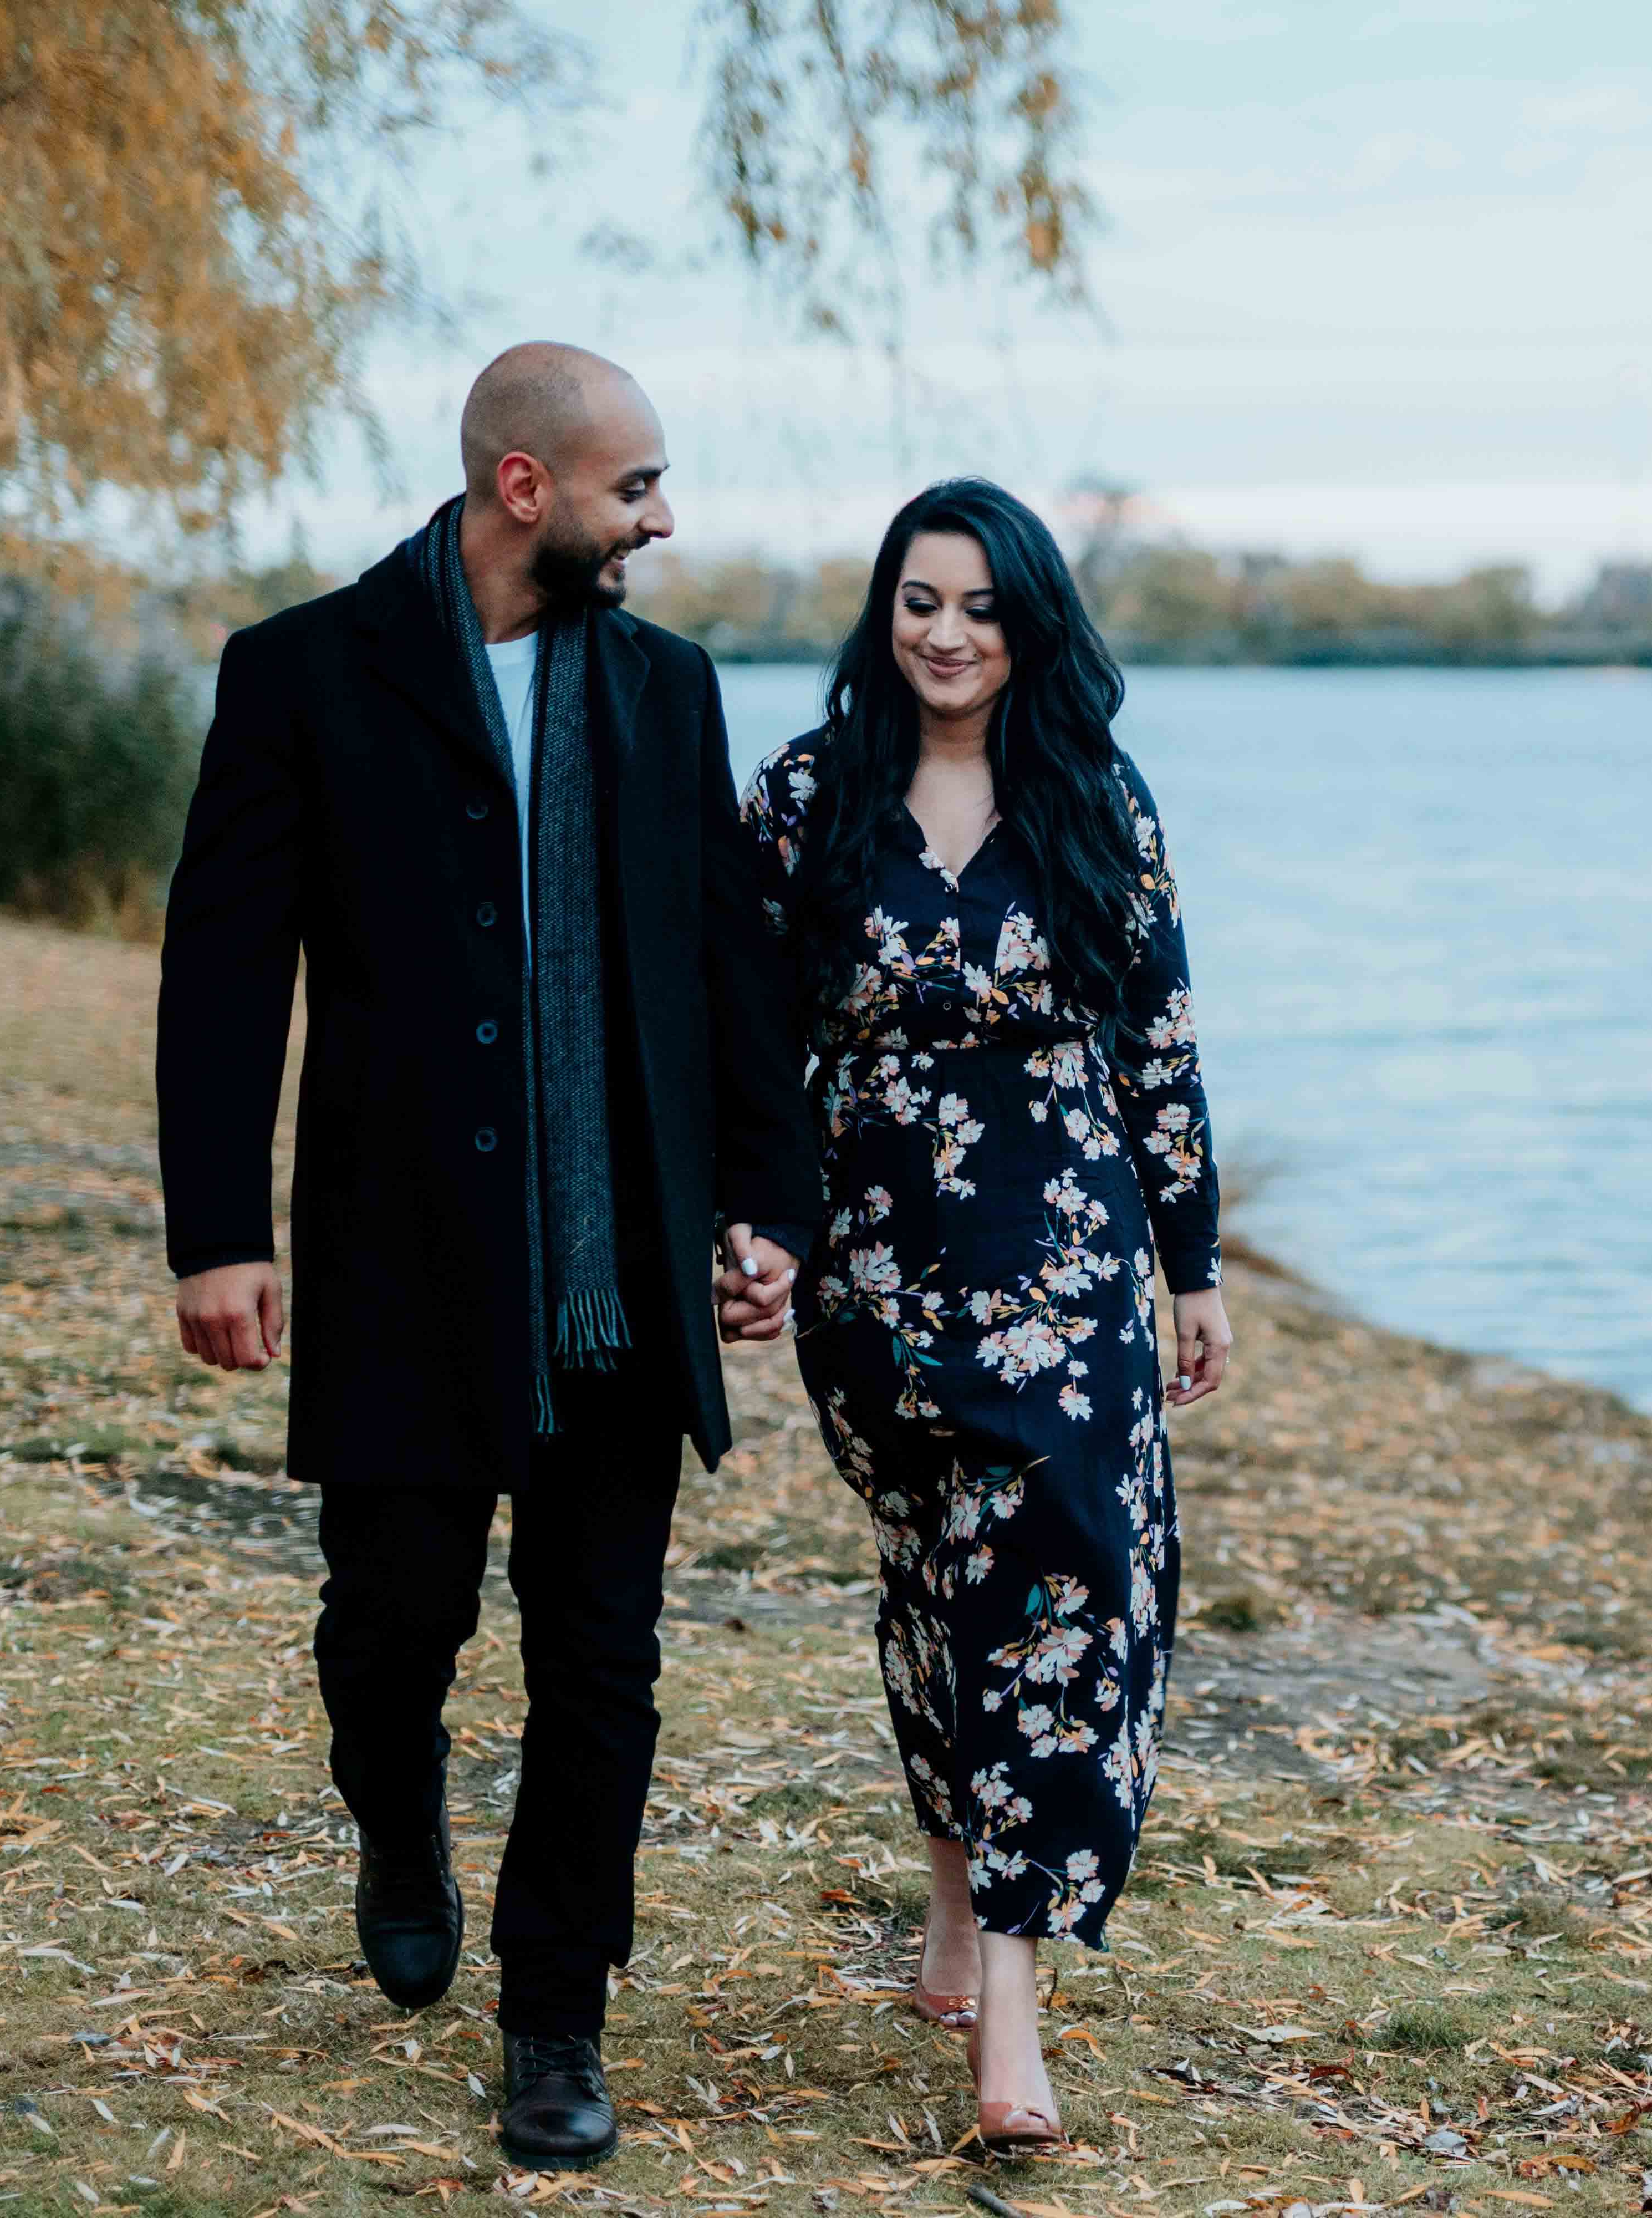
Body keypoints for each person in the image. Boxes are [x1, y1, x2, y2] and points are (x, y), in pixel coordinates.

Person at [155, 343, 820, 2173]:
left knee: (600, 1661)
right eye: (638, 488)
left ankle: (556, 2016)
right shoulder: (303, 672)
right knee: (396, 1627)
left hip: (621, 1279)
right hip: (395, 1261)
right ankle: (396, 1815)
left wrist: (766, 1213)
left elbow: (730, 976)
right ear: (527, 487)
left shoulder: (670, 693)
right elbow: (226, 965)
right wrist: (216, 1233)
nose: (662, 520)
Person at [741, 477, 1228, 2152]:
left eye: (980, 606)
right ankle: (952, 1887)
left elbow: (1157, 1044)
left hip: (1068, 1253)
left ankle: (1009, 2020)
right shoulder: (810, 798)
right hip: (875, 1261)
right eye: (919, 601)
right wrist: (762, 1237)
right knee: (940, 1581)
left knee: (1068, 1582)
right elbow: (746, 1049)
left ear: (1032, 626)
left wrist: (1195, 1265)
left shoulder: (1095, 798)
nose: (947, 634)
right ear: (885, 613)